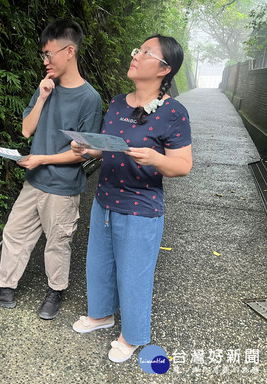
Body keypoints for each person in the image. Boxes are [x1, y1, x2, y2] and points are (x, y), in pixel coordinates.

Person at [71, 35, 192, 362]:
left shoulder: (173, 113)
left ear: (164, 69)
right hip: (104, 201)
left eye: (146, 53)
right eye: (137, 48)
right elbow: (109, 145)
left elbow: (183, 165)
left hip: (141, 210)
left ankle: (133, 335)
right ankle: (101, 315)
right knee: (98, 264)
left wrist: (154, 159)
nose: (136, 55)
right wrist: (87, 147)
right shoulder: (117, 103)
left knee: (134, 274)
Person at [0, 18, 102, 320]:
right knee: (15, 232)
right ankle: (4, 288)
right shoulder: (46, 87)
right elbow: (26, 131)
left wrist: (42, 159)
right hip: (34, 181)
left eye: (49, 54)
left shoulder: (90, 99)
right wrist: (43, 96)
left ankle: (55, 292)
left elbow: (82, 155)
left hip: (62, 186)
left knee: (57, 243)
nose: (45, 61)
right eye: (43, 55)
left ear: (69, 51)